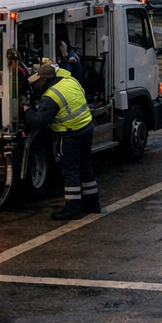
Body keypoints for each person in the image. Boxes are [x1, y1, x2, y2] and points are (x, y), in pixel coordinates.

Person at [24, 61, 100, 220]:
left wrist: (27, 111)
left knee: (70, 171)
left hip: (71, 133)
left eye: (39, 81)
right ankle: (92, 204)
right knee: (85, 166)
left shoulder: (52, 96)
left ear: (45, 80)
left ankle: (73, 208)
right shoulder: (70, 81)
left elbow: (40, 121)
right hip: (86, 127)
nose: (38, 85)